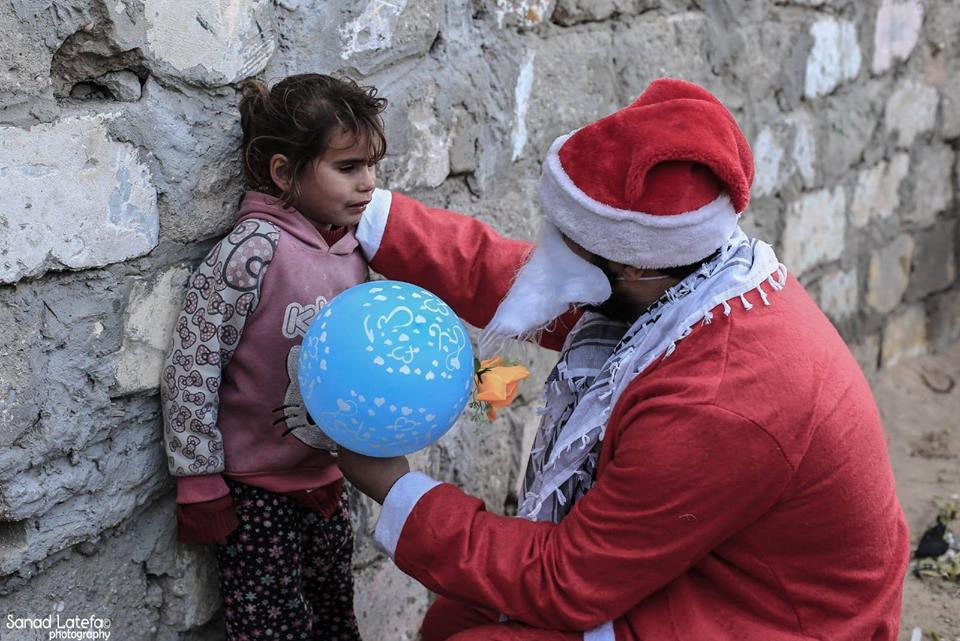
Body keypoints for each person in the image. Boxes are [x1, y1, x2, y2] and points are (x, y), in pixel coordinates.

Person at [337, 78, 910, 640]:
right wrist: (367, 213)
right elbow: (514, 281)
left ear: (631, 264)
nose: (550, 246)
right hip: (715, 566)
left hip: (769, 617)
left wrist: (399, 492)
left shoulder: (713, 398)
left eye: (567, 238)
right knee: (457, 615)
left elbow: (565, 580)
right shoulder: (683, 281)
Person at [161, 73, 388, 641]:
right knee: (271, 627)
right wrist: (198, 479)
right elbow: (193, 364)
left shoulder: (358, 249)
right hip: (254, 492)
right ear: (284, 172)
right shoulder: (251, 252)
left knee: (335, 615)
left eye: (372, 165)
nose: (369, 183)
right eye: (348, 167)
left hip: (328, 480)